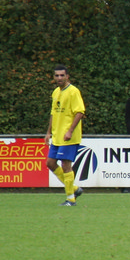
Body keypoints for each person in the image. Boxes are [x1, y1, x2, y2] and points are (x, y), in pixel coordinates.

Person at [44, 64, 85, 207]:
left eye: (62, 75)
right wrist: (48, 132)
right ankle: (74, 188)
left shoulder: (73, 91)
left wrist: (70, 131)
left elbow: (79, 112)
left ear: (67, 76)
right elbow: (53, 113)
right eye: (57, 75)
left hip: (68, 136)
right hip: (57, 136)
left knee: (66, 165)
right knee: (50, 163)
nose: (59, 78)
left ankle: (70, 199)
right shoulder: (56, 92)